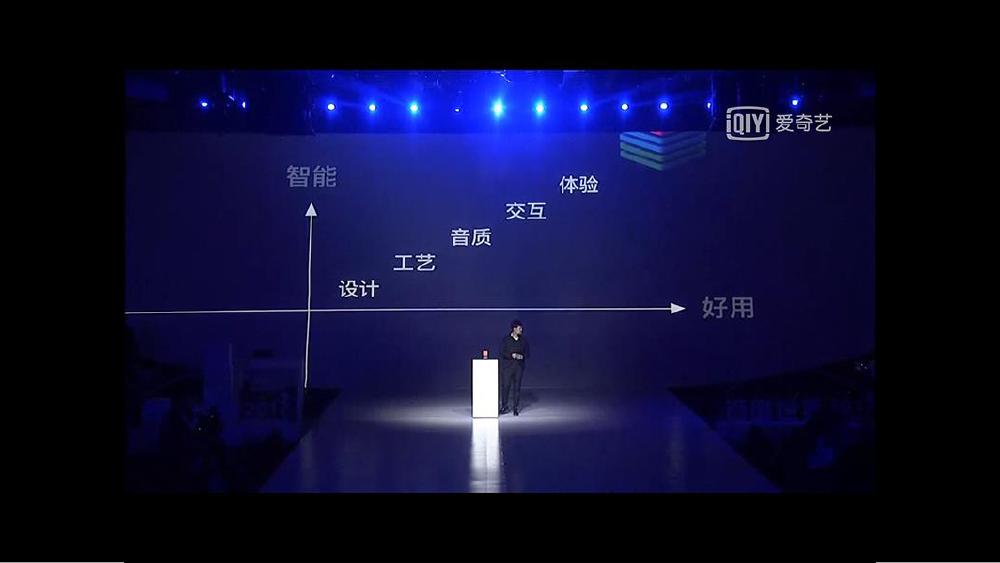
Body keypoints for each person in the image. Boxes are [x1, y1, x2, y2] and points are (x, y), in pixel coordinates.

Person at [499, 320, 529, 415]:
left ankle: (516, 407)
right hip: (507, 368)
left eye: (521, 328)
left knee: (517, 388)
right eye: (519, 328)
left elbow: (527, 353)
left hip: (519, 367)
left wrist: (521, 356)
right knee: (506, 387)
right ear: (514, 329)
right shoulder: (506, 340)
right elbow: (502, 352)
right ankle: (504, 406)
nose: (521, 330)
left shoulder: (523, 341)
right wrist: (512, 355)